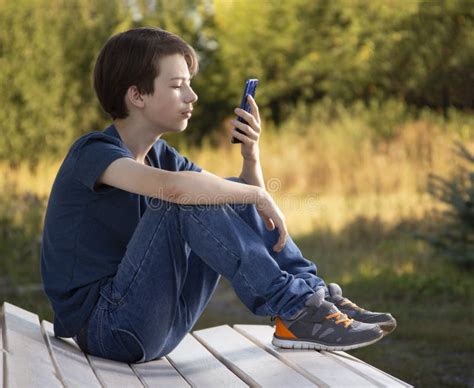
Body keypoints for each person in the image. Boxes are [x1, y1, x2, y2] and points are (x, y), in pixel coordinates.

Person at [40, 27, 396, 363]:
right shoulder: (93, 152)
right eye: (178, 86)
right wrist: (257, 195)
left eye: (189, 85)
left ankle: (317, 300)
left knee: (215, 191)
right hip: (108, 327)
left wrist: (251, 155)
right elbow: (179, 192)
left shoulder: (162, 158)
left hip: (158, 322)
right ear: (137, 96)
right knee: (184, 198)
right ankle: (297, 310)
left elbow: (230, 196)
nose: (192, 96)